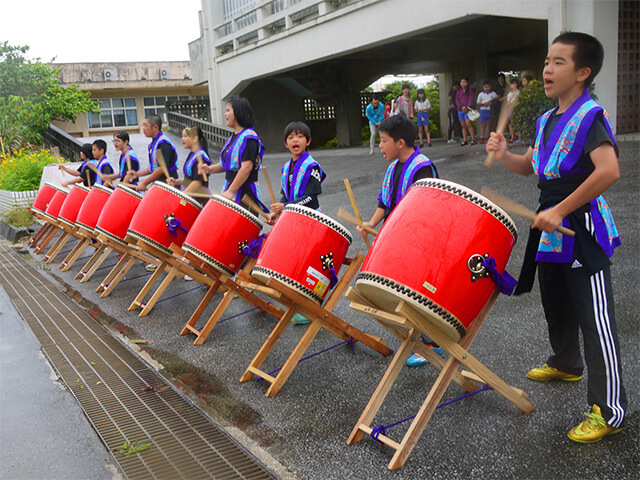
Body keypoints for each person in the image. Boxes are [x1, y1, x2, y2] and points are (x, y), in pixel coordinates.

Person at [486, 32, 626, 444]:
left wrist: (561, 210)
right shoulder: (547, 120)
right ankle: (566, 361)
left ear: (583, 73)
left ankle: (609, 410)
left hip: (578, 225)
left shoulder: (591, 117)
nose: (548, 69)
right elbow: (530, 168)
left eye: (559, 62)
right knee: (557, 301)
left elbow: (609, 170)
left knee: (594, 319)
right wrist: (505, 151)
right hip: (550, 226)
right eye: (547, 61)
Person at [356, 113, 441, 365]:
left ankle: (432, 343)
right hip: (398, 238)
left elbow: (427, 209)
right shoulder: (393, 167)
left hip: (417, 240)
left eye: (383, 141)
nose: (380, 146)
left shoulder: (422, 166)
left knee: (418, 292)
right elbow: (385, 202)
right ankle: (419, 337)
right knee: (402, 291)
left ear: (400, 142)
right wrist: (371, 223)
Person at [266, 121, 326, 325]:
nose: (295, 140)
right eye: (291, 137)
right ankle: (300, 305)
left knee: (308, 266)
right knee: (294, 264)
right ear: (285, 143)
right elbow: (285, 194)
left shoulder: (312, 166)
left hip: (310, 222)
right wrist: (277, 210)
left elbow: (312, 197)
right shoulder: (286, 168)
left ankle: (311, 307)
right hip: (292, 220)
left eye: (300, 136)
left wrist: (288, 206)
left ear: (308, 141)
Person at [199, 97, 267, 212]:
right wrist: (209, 169)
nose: (225, 114)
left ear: (238, 112)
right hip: (231, 188)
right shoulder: (233, 137)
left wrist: (231, 191)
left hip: (245, 193)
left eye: (228, 110)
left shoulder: (249, 137)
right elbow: (228, 165)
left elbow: (246, 168)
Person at [129, 114, 179, 191]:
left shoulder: (163, 144)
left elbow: (161, 169)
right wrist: (137, 174)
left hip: (168, 184)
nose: (143, 128)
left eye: (145, 125)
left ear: (155, 127)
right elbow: (152, 168)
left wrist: (144, 183)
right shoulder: (153, 144)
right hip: (159, 182)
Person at [167, 126, 211, 203]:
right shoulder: (193, 154)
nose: (182, 139)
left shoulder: (201, 157)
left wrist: (183, 195)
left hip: (198, 200)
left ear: (195, 138)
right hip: (189, 196)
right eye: (182, 136)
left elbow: (197, 182)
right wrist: (176, 182)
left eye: (185, 136)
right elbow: (191, 179)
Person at [455, 77, 476, 145]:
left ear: (467, 83)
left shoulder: (470, 91)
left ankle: (473, 139)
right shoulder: (458, 92)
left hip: (467, 110)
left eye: (464, 82)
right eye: (462, 82)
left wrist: (467, 107)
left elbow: (471, 99)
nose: (463, 84)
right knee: (463, 125)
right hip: (460, 110)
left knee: (468, 124)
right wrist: (461, 107)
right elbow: (457, 100)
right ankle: (465, 140)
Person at [507, 78, 521, 143]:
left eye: (514, 83)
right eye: (512, 84)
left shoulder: (519, 92)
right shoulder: (509, 94)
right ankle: (513, 137)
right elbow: (508, 103)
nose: (513, 85)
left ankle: (520, 137)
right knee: (511, 124)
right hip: (511, 110)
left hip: (518, 109)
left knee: (518, 123)